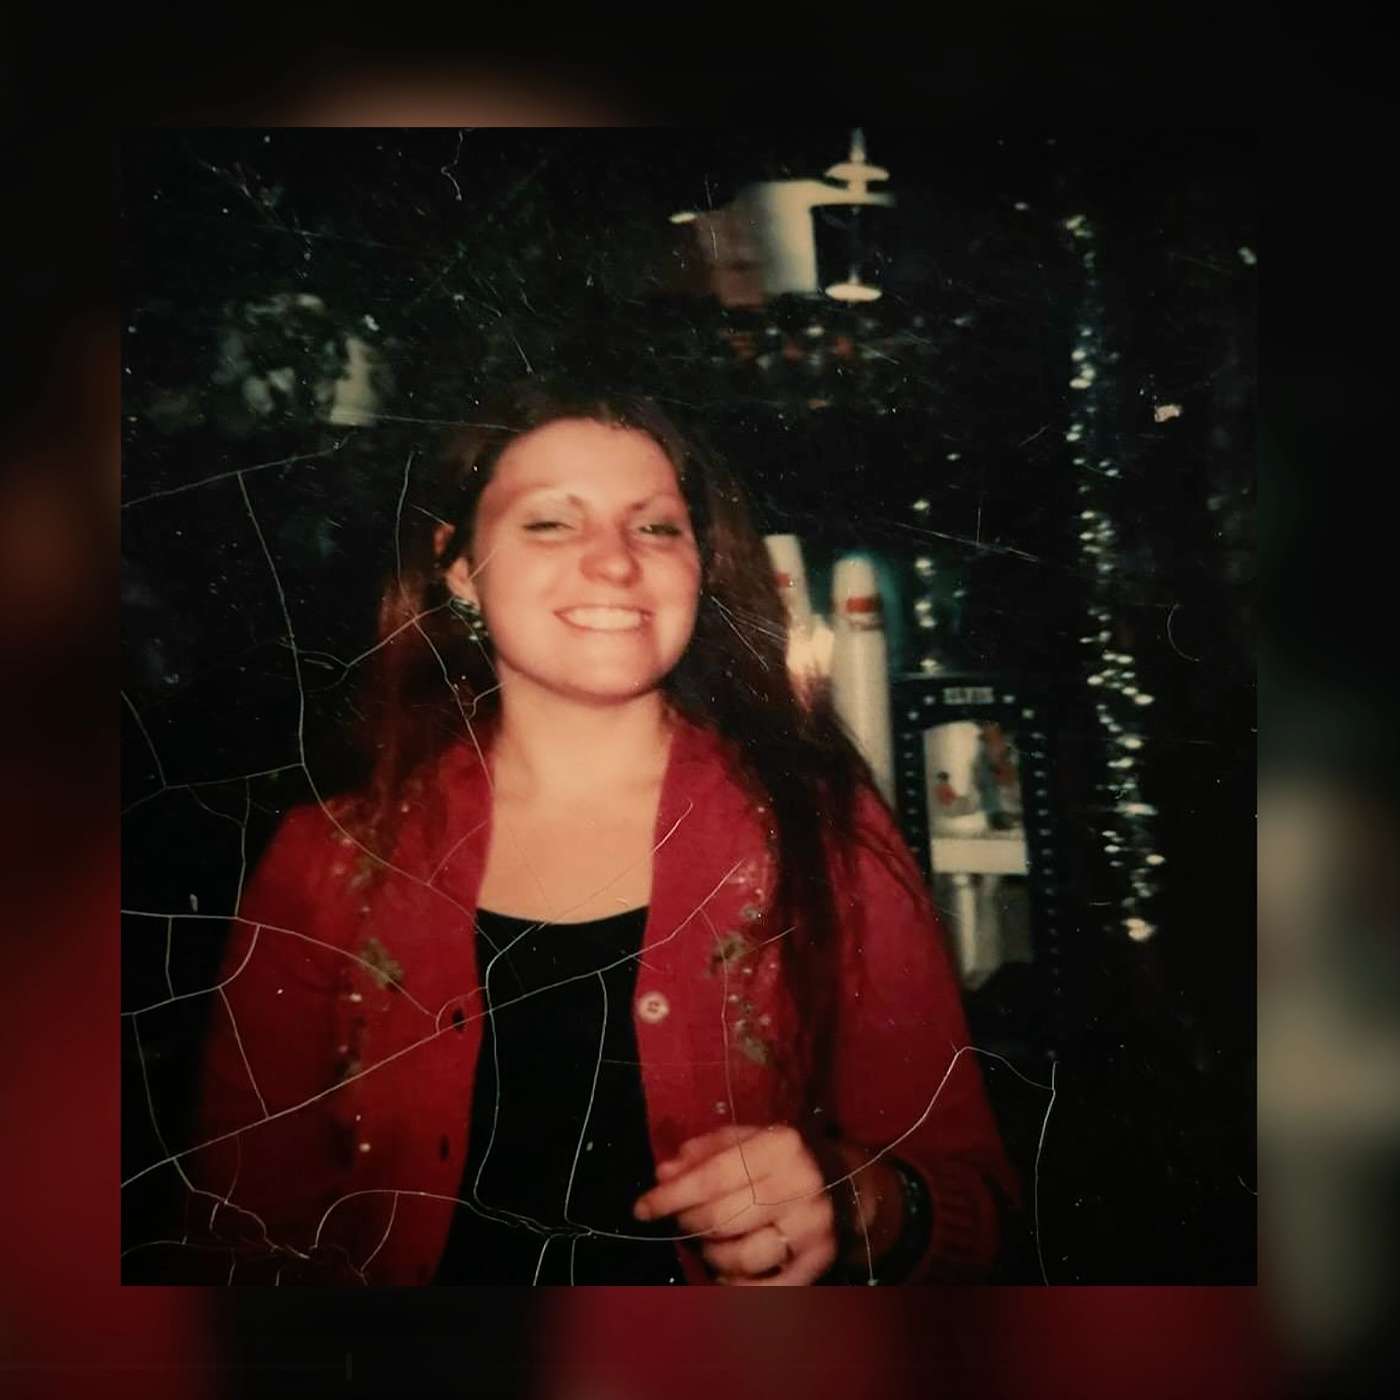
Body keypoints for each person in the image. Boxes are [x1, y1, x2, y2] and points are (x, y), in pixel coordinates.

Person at [190, 381, 1017, 1285]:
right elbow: (236, 1219)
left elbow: (972, 1196)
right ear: (458, 567)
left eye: (655, 527)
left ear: (701, 564)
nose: (617, 563)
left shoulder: (820, 828)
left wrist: (852, 1204)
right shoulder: (329, 856)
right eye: (551, 523)